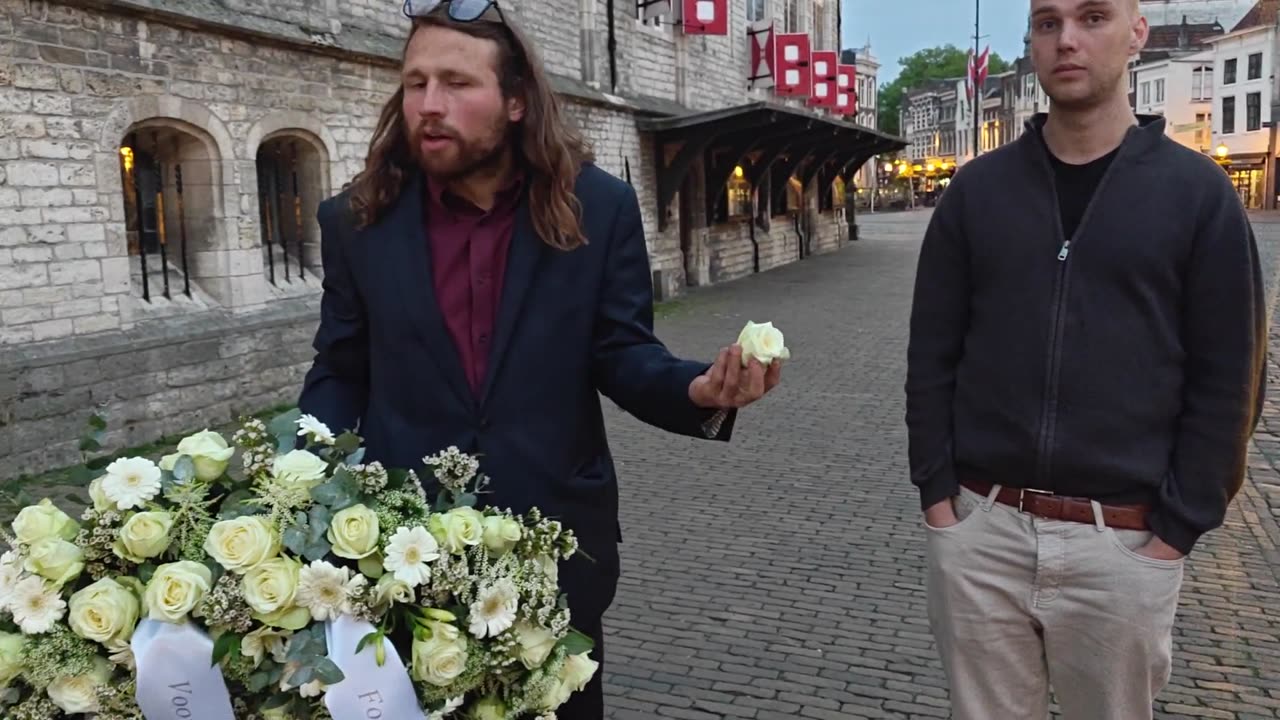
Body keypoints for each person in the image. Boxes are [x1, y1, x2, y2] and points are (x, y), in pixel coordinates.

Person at [296, 1, 782, 717]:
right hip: (404, 555)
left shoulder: (597, 208)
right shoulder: (357, 220)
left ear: (517, 100)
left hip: (556, 545)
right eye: (415, 83)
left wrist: (701, 391)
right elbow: (341, 370)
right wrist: (296, 486)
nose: (429, 105)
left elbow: (622, 353)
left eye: (458, 83)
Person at [904, 0, 1266, 718]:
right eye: (1048, 23)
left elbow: (1230, 378)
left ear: (1137, 33)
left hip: (1124, 540)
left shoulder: (1199, 195)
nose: (1067, 39)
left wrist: (1175, 530)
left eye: (1093, 17)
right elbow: (931, 356)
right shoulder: (977, 192)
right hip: (983, 529)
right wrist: (941, 501)